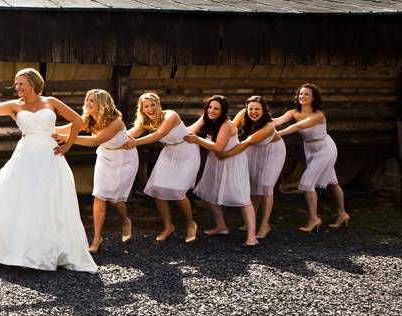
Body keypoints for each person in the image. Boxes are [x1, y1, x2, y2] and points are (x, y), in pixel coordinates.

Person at [0, 68, 97, 272]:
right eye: (16, 83)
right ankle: (16, 250)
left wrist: (68, 144)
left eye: (21, 83)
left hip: (49, 156)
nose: (17, 87)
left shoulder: (51, 102)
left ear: (33, 84)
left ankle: (46, 250)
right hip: (26, 156)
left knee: (48, 201)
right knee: (21, 199)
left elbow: (78, 121)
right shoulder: (14, 106)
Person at [56, 89, 137, 254]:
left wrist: (69, 139)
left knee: (114, 198)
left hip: (125, 159)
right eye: (87, 100)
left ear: (102, 103)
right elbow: (64, 129)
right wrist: (39, 126)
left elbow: (95, 141)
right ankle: (96, 239)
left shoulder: (116, 121)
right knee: (99, 196)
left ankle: (125, 220)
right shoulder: (87, 118)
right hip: (105, 157)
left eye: (91, 100)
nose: (87, 103)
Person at [122, 92, 199, 243]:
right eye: (146, 106)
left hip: (186, 151)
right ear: (142, 109)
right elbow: (128, 135)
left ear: (158, 104)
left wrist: (135, 144)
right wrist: (111, 138)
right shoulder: (146, 121)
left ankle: (191, 224)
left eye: (152, 105)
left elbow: (159, 134)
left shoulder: (171, 115)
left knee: (178, 191)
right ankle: (168, 226)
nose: (150, 109)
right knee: (158, 189)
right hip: (169, 151)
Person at [185, 95, 258, 247]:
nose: (212, 110)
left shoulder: (226, 124)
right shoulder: (206, 118)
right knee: (209, 193)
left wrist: (198, 140)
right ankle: (221, 226)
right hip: (215, 160)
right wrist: (170, 130)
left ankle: (252, 237)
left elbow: (219, 147)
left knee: (243, 198)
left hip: (233, 161)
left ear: (223, 111)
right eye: (210, 107)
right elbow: (189, 130)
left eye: (216, 108)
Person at [274, 83, 349, 231]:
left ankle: (314, 219)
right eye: (300, 94)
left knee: (307, 183)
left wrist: (277, 134)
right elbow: (278, 121)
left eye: (306, 94)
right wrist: (262, 120)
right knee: (333, 182)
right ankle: (343, 214)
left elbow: (297, 127)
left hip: (325, 148)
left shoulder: (318, 115)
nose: (302, 96)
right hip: (310, 148)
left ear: (314, 98)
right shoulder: (294, 112)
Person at [216, 96, 285, 239]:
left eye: (257, 109)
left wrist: (225, 154)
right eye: (251, 109)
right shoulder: (243, 114)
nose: (253, 112)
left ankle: (265, 224)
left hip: (272, 151)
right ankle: (251, 221)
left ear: (264, 110)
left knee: (266, 187)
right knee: (254, 185)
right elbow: (231, 129)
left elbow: (245, 144)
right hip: (254, 149)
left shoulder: (268, 126)